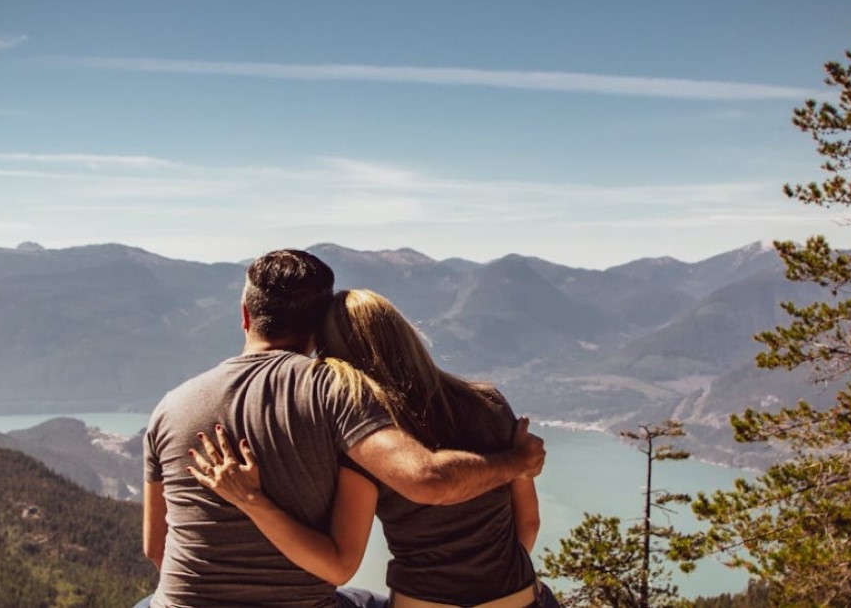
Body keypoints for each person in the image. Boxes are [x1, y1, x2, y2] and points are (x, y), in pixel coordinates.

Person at [140, 251, 546, 608]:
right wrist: (516, 462)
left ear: (245, 315)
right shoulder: (337, 392)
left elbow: (155, 548)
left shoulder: (168, 406)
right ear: (318, 329)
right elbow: (423, 485)